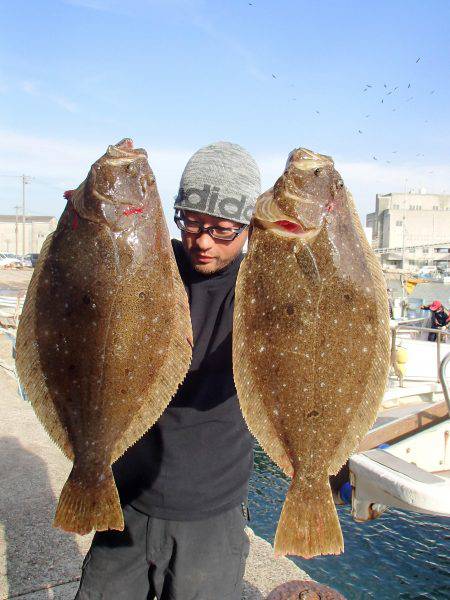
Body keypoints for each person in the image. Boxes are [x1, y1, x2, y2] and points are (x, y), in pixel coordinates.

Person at [75, 141, 261, 600]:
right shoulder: (151, 263)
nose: (201, 242)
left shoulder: (262, 289)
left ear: (249, 226)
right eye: (191, 223)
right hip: (127, 496)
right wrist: (92, 199)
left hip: (211, 512)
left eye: (221, 230)